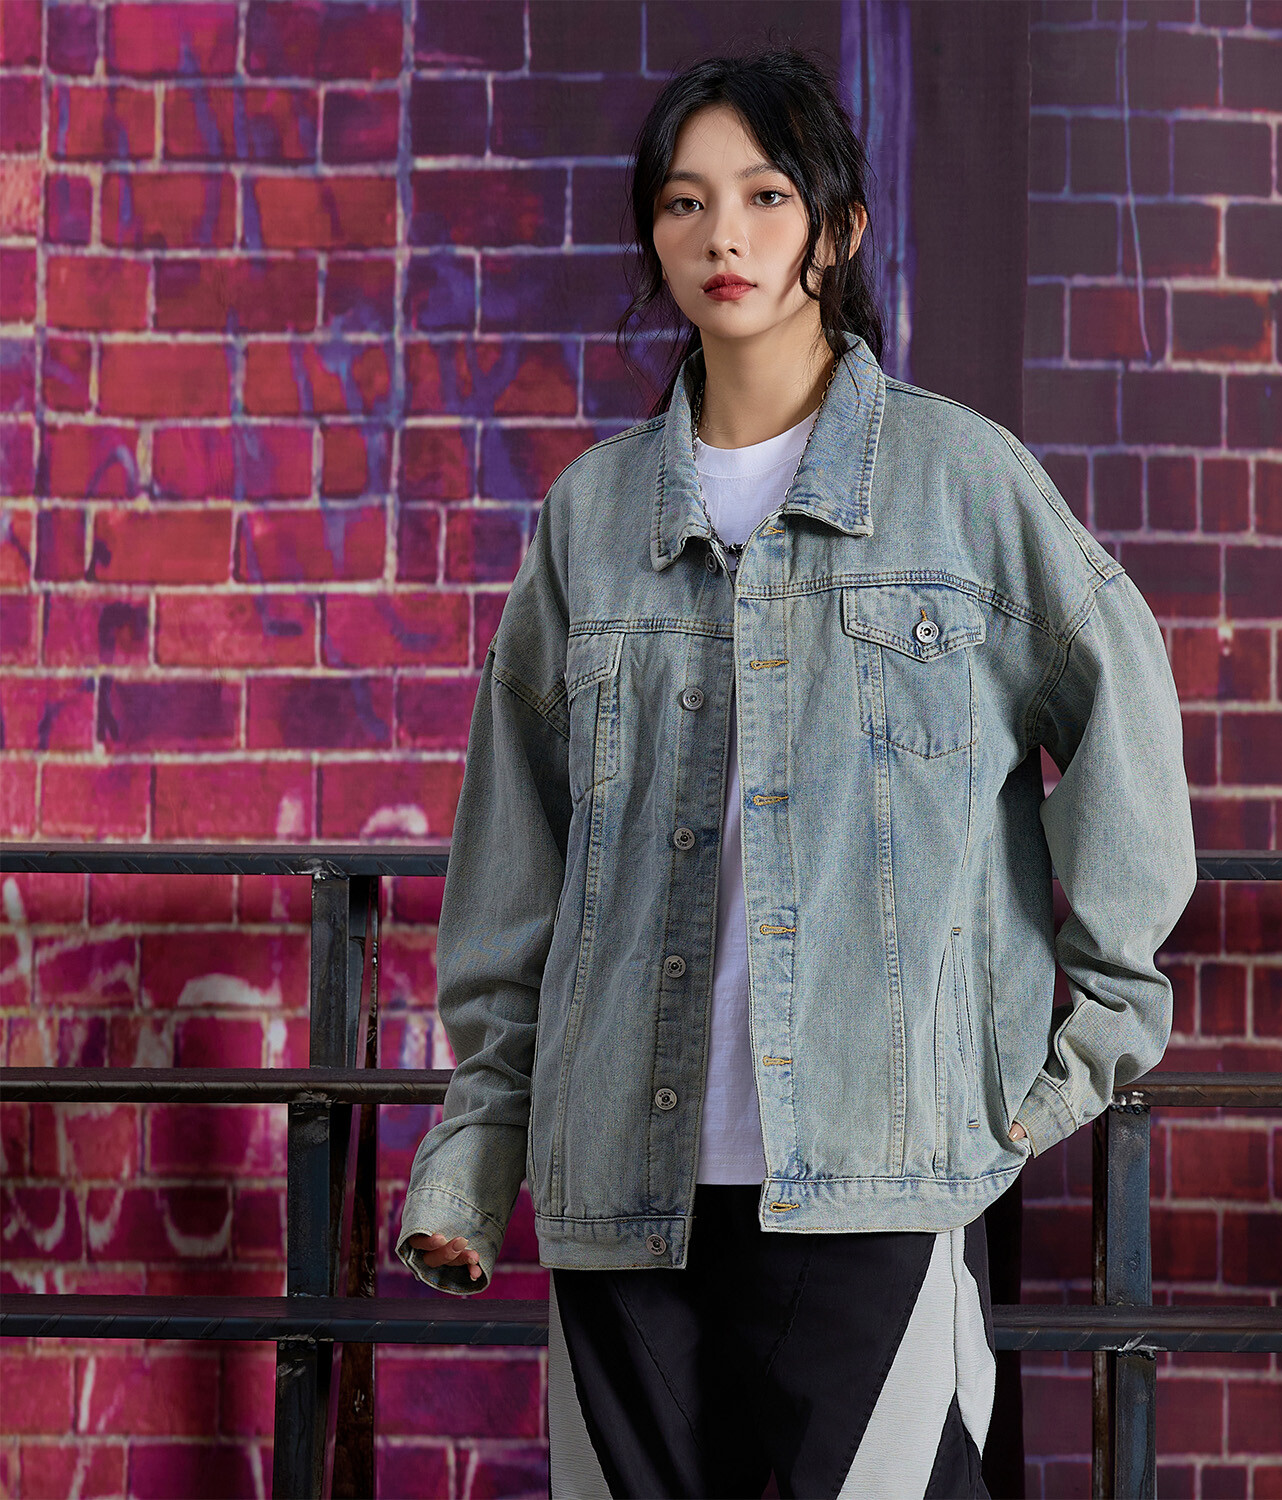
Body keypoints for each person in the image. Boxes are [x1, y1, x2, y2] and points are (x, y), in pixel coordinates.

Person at [397, 43, 1198, 1500]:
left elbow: (1124, 729)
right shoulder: (589, 522)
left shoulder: (961, 486)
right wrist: (477, 1154)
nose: (726, 235)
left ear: (838, 227)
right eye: (687, 202)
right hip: (618, 1188)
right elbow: (514, 872)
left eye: (766, 195)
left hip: (878, 1175)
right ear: (653, 236)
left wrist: (1075, 1056)